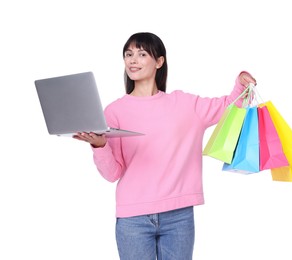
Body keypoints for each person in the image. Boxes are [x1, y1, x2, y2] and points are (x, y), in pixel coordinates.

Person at [73, 32, 256, 260]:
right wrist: (99, 146)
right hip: (133, 219)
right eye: (128, 54)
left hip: (179, 216)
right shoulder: (114, 111)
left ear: (159, 61)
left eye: (141, 54)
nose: (133, 60)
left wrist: (241, 81)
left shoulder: (185, 105)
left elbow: (230, 106)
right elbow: (113, 174)